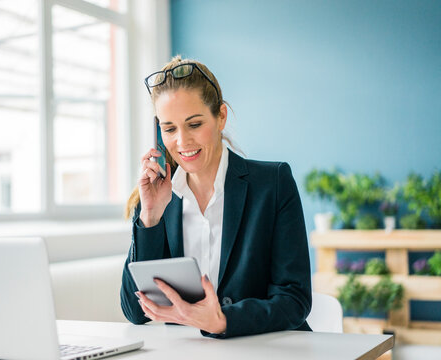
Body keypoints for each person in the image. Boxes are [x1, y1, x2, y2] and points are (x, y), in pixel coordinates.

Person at [120, 55, 312, 338]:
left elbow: (294, 300)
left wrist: (222, 321)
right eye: (170, 128)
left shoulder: (274, 183)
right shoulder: (156, 198)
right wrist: (150, 217)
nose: (182, 142)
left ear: (220, 116)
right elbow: (134, 312)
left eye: (195, 124)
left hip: (268, 350)